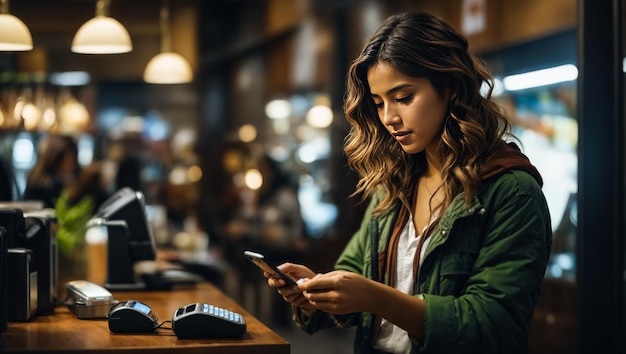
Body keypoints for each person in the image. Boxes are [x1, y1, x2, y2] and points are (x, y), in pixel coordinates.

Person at [264, 11, 552, 354]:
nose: (389, 118)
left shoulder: (511, 191)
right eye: (379, 103)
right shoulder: (393, 185)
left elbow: (491, 326)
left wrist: (374, 297)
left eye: (403, 98)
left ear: (451, 88)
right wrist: (315, 294)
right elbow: (352, 273)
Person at [23, 134, 79, 208]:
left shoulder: (37, 176)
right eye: (70, 158)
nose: (73, 163)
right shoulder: (50, 184)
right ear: (58, 159)